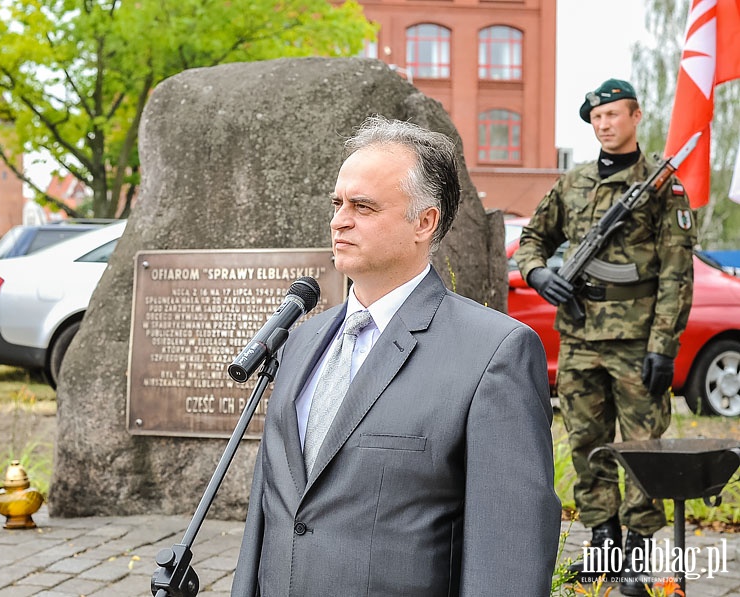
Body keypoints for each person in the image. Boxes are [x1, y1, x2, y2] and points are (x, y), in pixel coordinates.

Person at [232, 116, 561, 596]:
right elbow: (274, 514)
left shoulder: (494, 354)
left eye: (363, 206)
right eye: (337, 203)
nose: (339, 219)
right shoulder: (303, 342)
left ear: (424, 222)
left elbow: (509, 550)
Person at [515, 78, 695, 595]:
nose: (604, 124)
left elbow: (676, 274)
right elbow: (532, 238)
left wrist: (664, 345)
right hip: (579, 338)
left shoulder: (663, 185)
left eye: (614, 114)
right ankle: (602, 543)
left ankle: (637, 555)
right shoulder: (572, 184)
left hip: (637, 341)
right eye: (596, 118)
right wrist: (537, 274)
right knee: (587, 447)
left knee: (642, 449)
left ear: (636, 116)